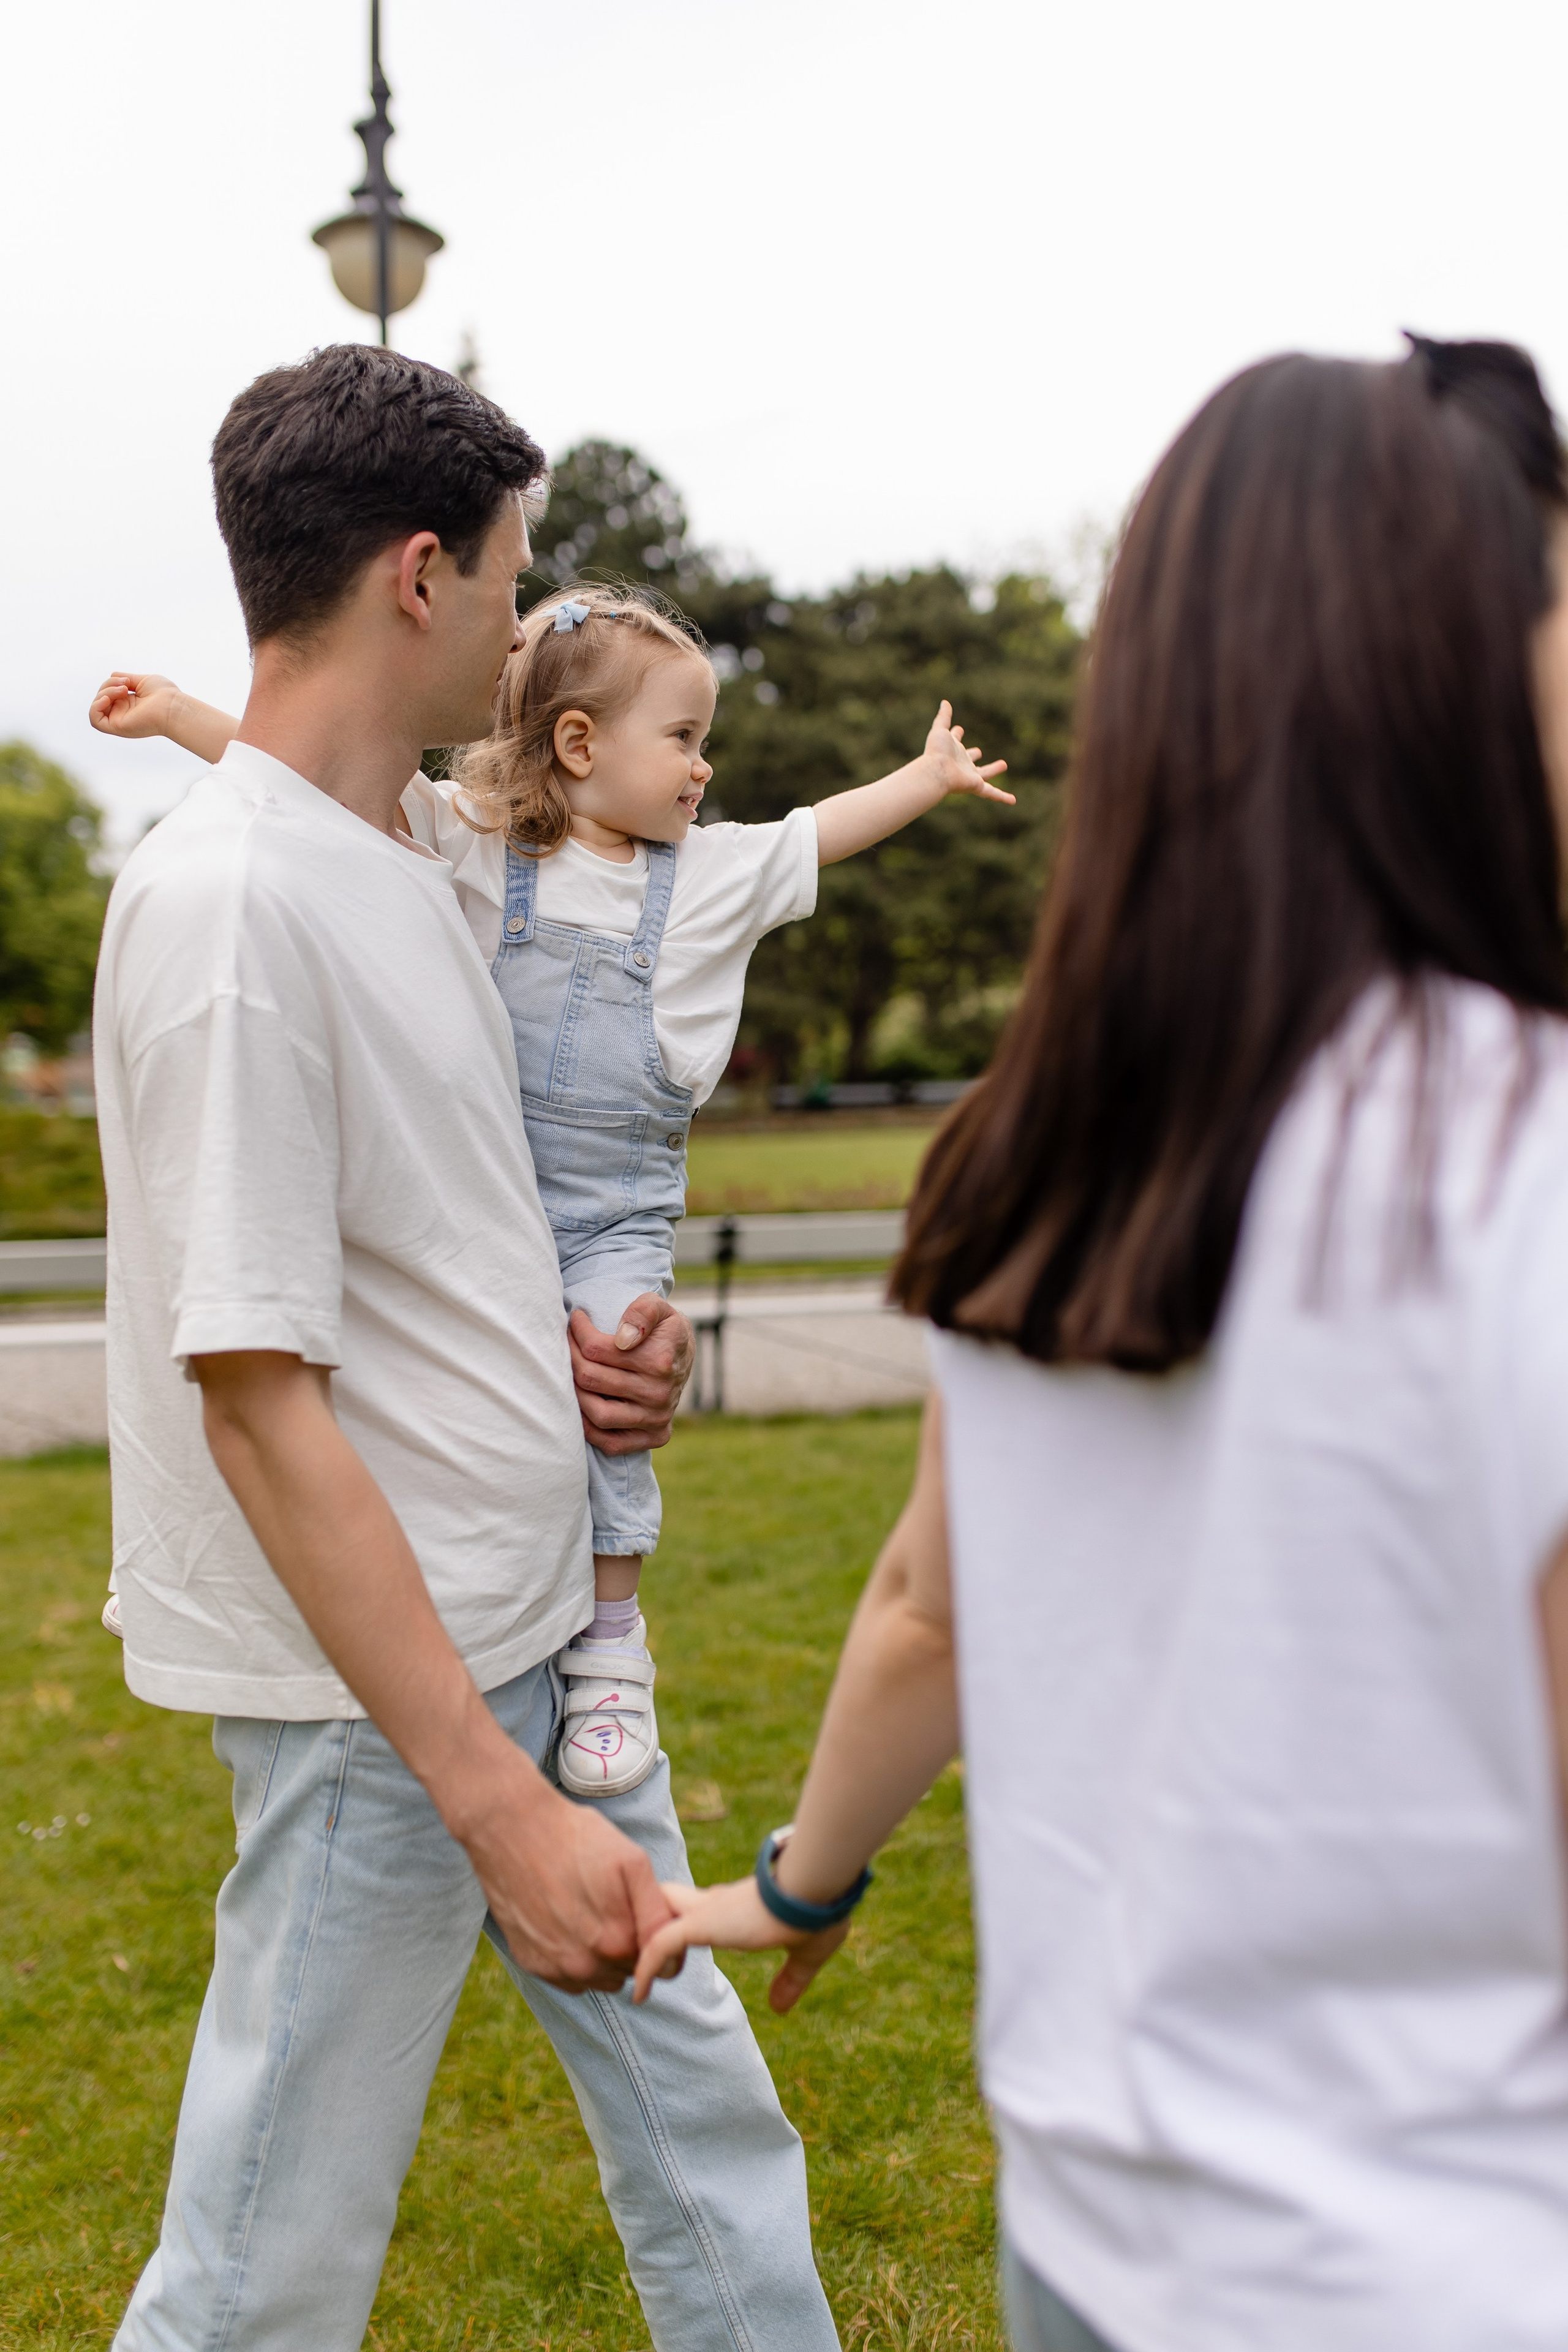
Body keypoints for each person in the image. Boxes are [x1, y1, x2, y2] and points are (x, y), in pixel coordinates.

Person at [635, 336, 1568, 2352]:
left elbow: (926, 1607)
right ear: (1454, 664)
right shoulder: (1522, 1156)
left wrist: (801, 1883)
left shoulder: (1036, 1144)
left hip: (1096, 2246)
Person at [90, 342, 839, 2352]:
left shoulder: (417, 859)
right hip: (388, 1717)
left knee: (712, 2135)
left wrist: (616, 1363)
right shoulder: (235, 915)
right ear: (418, 574)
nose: (524, 627)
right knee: (266, 2264)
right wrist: (493, 1804)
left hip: (546, 1635)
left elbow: (469, 1224)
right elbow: (257, 1403)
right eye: (512, 578)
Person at [92, 582, 1011, 1798]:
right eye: (682, 737)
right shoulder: (477, 845)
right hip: (491, 1202)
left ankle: (612, 1646)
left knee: (614, 1368)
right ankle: (390, 1610)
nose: (703, 766)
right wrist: (176, 715)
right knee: (479, 1401)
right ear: (579, 745)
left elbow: (817, 831)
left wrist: (926, 777)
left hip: (617, 1214)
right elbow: (300, 783)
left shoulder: (710, 875)